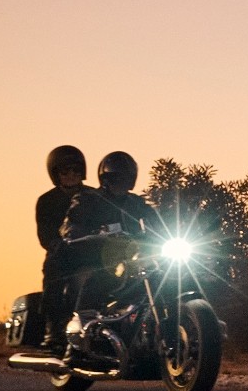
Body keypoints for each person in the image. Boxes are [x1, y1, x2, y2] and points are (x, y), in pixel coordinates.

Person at [53, 151, 166, 348]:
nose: (120, 183)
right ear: (105, 179)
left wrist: (175, 231)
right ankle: (77, 343)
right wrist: (76, 233)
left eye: (125, 178)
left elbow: (160, 222)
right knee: (99, 278)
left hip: (133, 260)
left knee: (164, 277)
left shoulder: (137, 203)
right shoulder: (89, 199)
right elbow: (71, 223)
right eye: (115, 178)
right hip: (99, 258)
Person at [34, 146, 88, 352]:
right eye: (65, 172)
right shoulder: (47, 201)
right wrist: (58, 243)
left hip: (92, 253)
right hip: (63, 255)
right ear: (56, 175)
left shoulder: (94, 195)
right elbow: (45, 234)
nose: (71, 176)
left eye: (75, 171)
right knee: (53, 275)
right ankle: (54, 329)